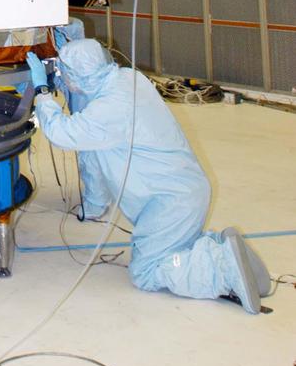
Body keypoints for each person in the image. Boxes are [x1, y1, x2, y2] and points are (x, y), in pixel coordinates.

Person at [26, 35, 272, 313]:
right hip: (185, 191)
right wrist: (65, 81)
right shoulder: (128, 79)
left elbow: (61, 133)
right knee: (172, 247)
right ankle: (221, 251)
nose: (63, 76)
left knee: (146, 272)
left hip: (169, 203)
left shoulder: (108, 112)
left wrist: (43, 91)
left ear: (79, 76)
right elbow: (93, 141)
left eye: (65, 72)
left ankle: (223, 268)